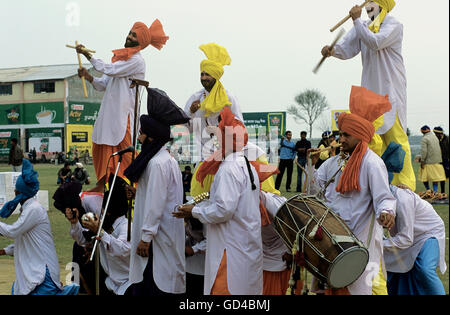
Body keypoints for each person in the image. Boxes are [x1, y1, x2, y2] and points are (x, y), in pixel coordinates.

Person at [309, 86, 396, 295]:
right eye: (341, 134)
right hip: (331, 238)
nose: (342, 140)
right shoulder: (333, 163)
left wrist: (387, 212)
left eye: (346, 135)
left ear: (360, 136)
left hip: (359, 239)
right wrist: (311, 166)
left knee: (357, 289)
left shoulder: (372, 164)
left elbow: (384, 197)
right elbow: (315, 193)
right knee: (332, 287)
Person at [321, 0, 416, 191]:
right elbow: (348, 47)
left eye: (372, 2)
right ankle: (368, 183)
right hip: (370, 95)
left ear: (383, 5)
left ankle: (405, 187)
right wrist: (332, 51)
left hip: (391, 93)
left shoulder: (394, 25)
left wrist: (356, 21)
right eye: (367, 3)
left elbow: (375, 42)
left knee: (396, 140)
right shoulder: (363, 26)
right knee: (367, 139)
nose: (367, 6)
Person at [173, 107, 264, 295]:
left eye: (220, 135)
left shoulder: (228, 168)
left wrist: (193, 211)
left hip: (229, 252)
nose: (216, 141)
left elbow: (223, 211)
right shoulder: (247, 165)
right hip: (244, 249)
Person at [76, 19, 169, 192]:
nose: (129, 36)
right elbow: (104, 83)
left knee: (125, 152)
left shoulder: (137, 61)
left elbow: (109, 69)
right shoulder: (121, 60)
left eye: (134, 35)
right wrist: (88, 77)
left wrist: (88, 56)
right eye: (130, 32)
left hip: (123, 115)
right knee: (102, 146)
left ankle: (133, 186)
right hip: (108, 114)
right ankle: (104, 185)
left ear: (140, 42)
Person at [123, 99, 189, 295]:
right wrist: (139, 194)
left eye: (142, 133)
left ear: (151, 137)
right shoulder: (163, 159)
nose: (139, 138)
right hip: (160, 235)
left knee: (155, 284)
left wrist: (146, 237)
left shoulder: (158, 164)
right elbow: (157, 196)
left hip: (157, 240)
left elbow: (156, 204)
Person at [0, 159, 79, 295]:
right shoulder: (28, 209)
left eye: (16, 189)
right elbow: (26, 243)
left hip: (43, 272)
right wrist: (5, 251)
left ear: (18, 192)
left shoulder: (33, 209)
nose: (14, 191)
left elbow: (12, 232)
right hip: (36, 269)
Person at [65, 175, 132, 295]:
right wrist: (75, 223)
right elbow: (83, 241)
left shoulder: (126, 227)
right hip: (109, 282)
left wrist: (99, 232)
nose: (101, 212)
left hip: (127, 285)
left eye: (103, 209)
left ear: (110, 212)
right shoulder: (105, 224)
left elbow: (122, 249)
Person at [384, 184, 446, 295]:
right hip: (406, 236)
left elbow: (405, 239)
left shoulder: (402, 199)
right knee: (391, 268)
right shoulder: (374, 198)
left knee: (425, 270)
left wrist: (378, 244)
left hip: (428, 232)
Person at [53, 181, 108, 295]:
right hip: (89, 244)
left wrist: (94, 245)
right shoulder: (72, 209)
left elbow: (107, 229)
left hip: (106, 242)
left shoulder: (94, 202)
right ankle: (80, 289)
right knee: (78, 249)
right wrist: (74, 222)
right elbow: (80, 239)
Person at [418, 126, 446, 193]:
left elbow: (424, 151)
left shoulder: (424, 139)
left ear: (422, 131)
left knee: (423, 177)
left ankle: (428, 190)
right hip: (438, 161)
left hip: (428, 162)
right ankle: (435, 191)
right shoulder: (435, 137)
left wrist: (422, 161)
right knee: (435, 178)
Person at [433, 127, 450, 194]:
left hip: (447, 160)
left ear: (439, 133)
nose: (435, 135)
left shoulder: (447, 139)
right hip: (439, 161)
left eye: (436, 133)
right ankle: (443, 192)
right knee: (441, 177)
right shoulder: (436, 140)